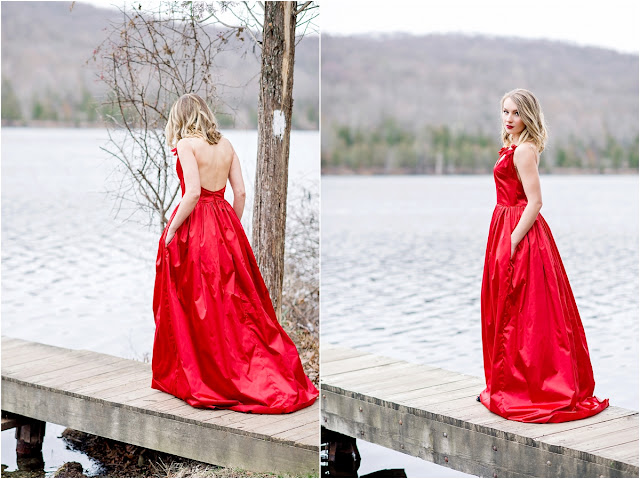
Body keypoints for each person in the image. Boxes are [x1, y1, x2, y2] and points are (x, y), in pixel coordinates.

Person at [151, 93, 318, 414]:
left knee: (197, 301)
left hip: (196, 225)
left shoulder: (187, 145)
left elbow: (193, 193)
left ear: (182, 118)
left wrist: (171, 230)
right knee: (230, 303)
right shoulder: (226, 145)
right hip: (225, 224)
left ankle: (206, 371)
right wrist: (228, 226)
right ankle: (238, 365)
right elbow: (240, 192)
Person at [478, 88, 609, 423]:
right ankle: (510, 382)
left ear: (528, 116)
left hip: (520, 233)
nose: (509, 119)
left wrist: (511, 242)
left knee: (527, 311)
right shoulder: (511, 145)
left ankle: (529, 387)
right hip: (506, 226)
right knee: (509, 308)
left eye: (516, 113)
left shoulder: (523, 150)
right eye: (505, 112)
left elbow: (535, 203)